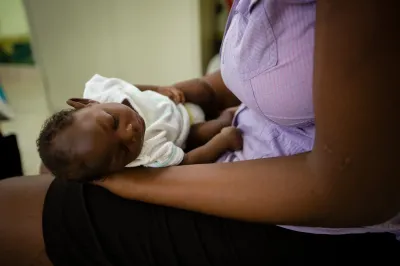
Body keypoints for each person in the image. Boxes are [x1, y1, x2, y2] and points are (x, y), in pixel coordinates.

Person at [1, 0, 399, 265]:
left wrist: (137, 184)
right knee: (46, 171)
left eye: (116, 124)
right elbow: (262, 72)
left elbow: (350, 189)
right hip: (240, 141)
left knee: (11, 211)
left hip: (314, 218)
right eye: (122, 147)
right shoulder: (110, 116)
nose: (131, 133)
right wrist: (197, 90)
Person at [37, 74, 242, 182]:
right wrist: (221, 141)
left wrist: (158, 89)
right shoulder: (148, 155)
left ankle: (234, 89)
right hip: (188, 128)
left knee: (199, 89)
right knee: (215, 127)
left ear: (88, 102)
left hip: (173, 101)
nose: (129, 133)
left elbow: (131, 88)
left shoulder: (106, 93)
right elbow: (188, 161)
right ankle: (228, 114)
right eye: (122, 151)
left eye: (113, 121)